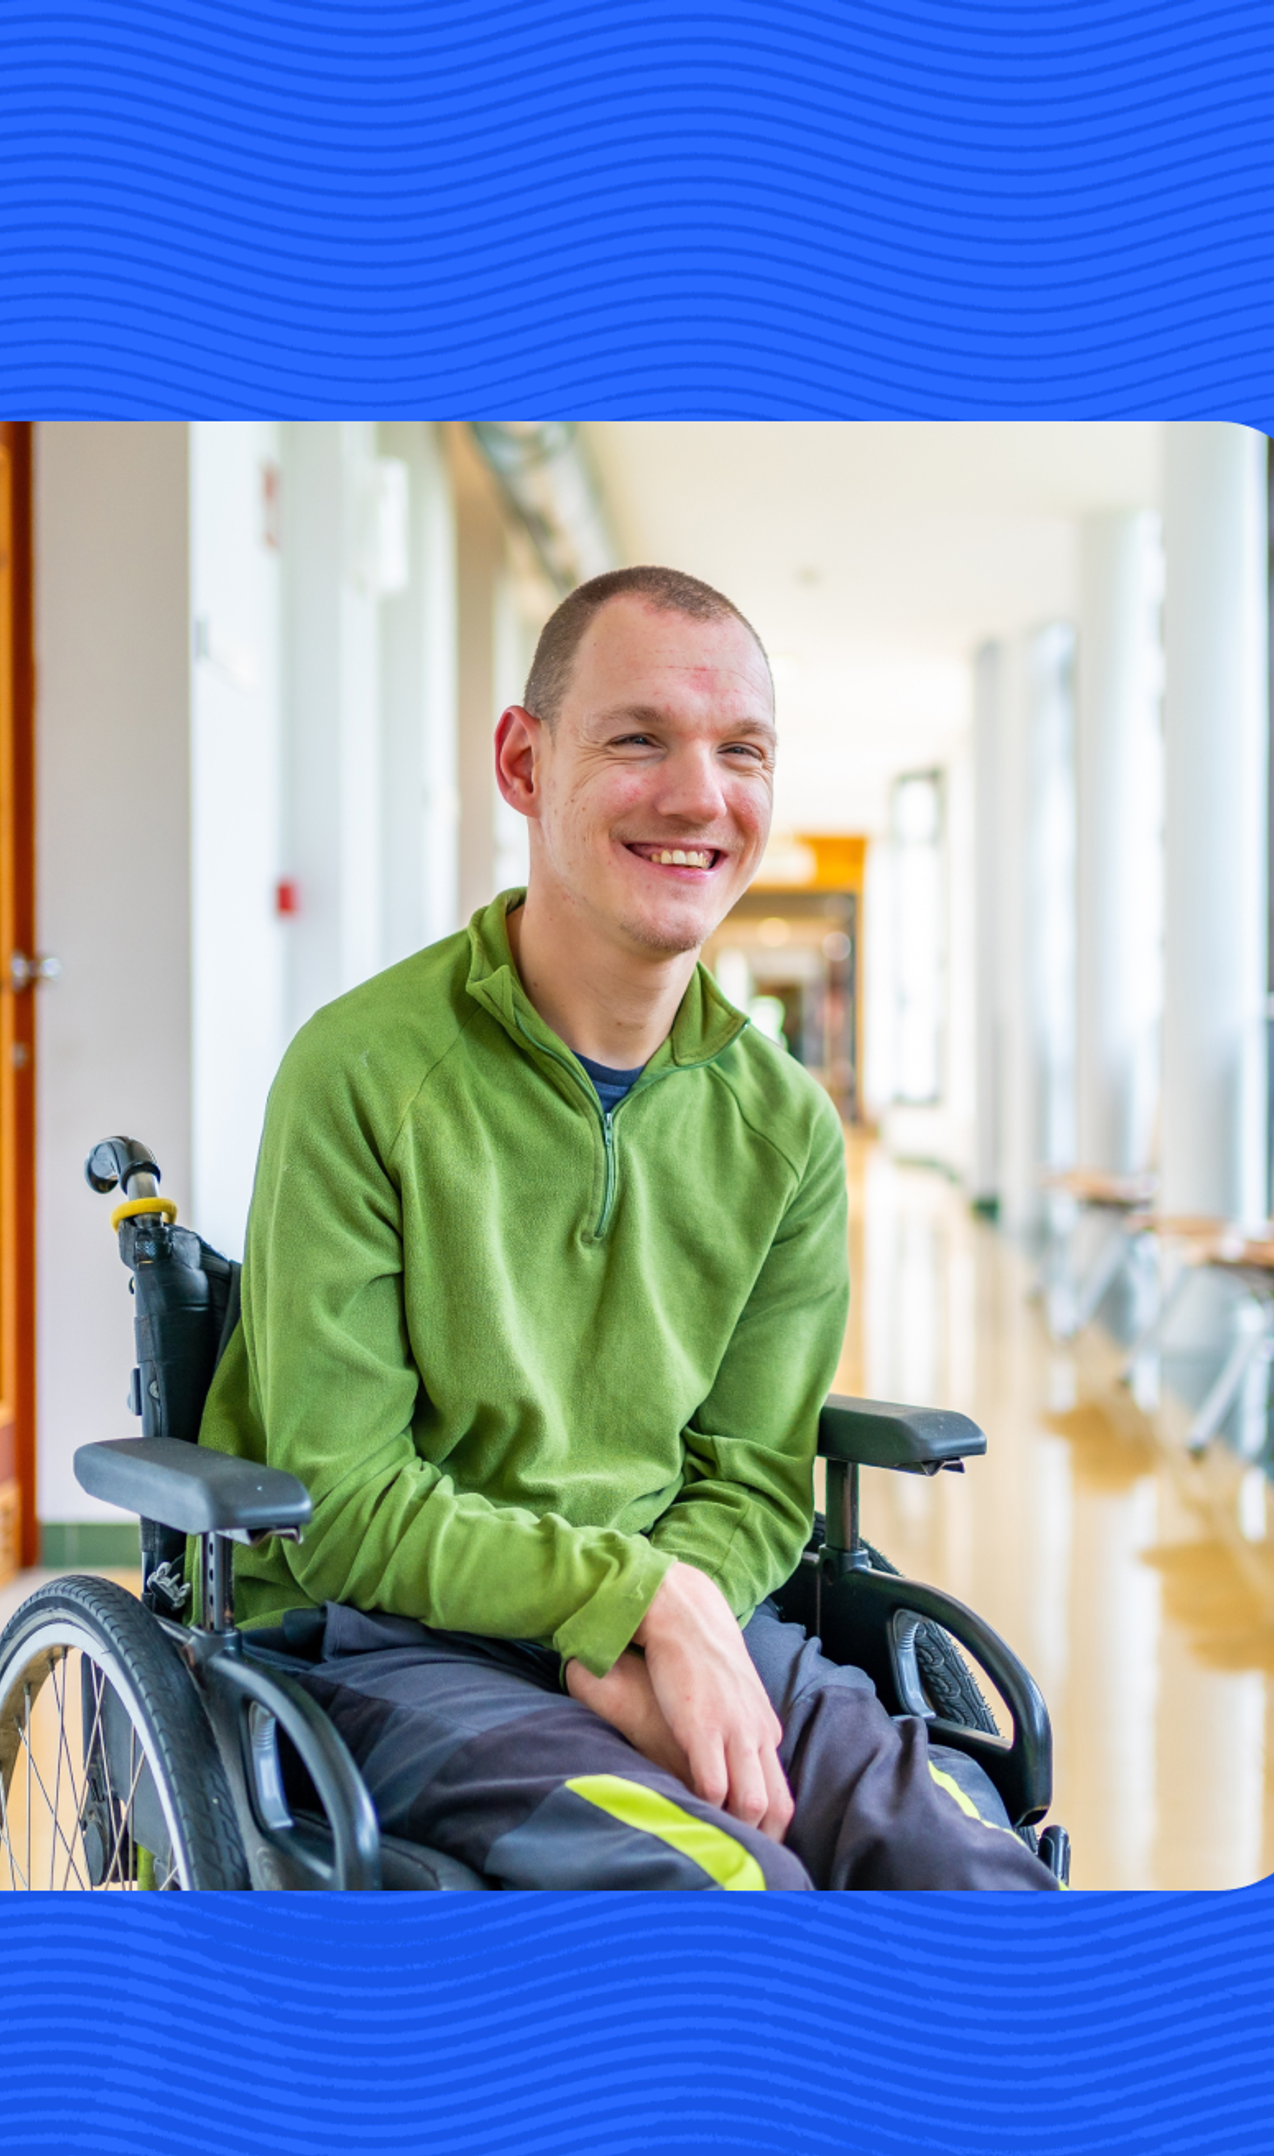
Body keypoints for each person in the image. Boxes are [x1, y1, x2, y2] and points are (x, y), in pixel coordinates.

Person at [200, 565, 1054, 1890]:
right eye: (639, 739)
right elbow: (346, 1506)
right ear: (525, 764)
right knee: (724, 1890)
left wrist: (674, 1617)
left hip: (690, 1614)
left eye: (743, 752)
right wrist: (627, 1606)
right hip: (398, 1645)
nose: (700, 797)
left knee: (965, 1866)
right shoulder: (362, 1074)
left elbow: (754, 1477)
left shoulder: (782, 1127)